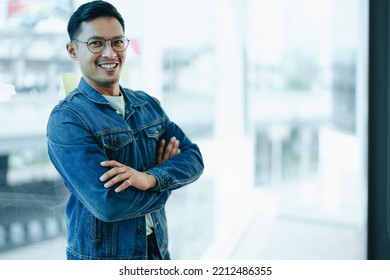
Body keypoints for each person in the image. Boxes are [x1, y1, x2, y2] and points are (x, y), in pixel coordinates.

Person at [46, 0, 204, 260]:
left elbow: (193, 157)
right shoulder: (67, 120)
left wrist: (149, 179)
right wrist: (165, 183)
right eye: (96, 43)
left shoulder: (147, 104)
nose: (110, 53)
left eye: (117, 42)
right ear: (73, 51)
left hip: (157, 253)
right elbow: (109, 204)